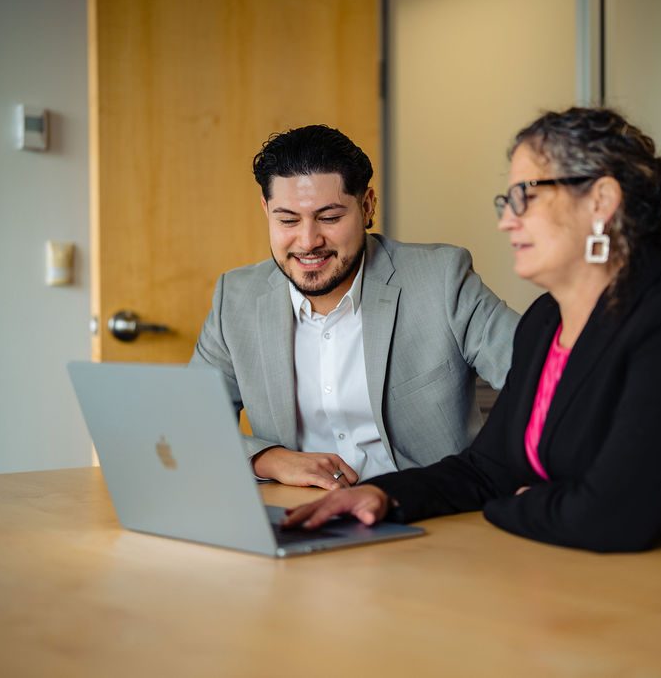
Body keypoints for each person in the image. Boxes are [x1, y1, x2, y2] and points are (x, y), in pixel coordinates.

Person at [283, 107, 661, 553]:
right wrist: (380, 496)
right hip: (580, 580)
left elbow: (612, 517)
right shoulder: (546, 320)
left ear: (600, 200)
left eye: (526, 197)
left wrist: (507, 506)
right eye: (506, 200)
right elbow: (487, 469)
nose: (507, 222)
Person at [191, 125, 519, 489]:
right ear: (266, 210)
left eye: (329, 218)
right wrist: (268, 459)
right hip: (300, 517)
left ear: (367, 207)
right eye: (287, 220)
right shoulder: (235, 300)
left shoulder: (441, 280)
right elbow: (190, 423)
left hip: (425, 515)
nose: (308, 241)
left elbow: (545, 382)